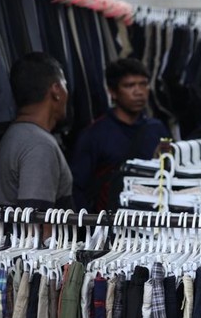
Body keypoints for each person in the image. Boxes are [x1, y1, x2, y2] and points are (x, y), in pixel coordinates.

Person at [70, 58, 169, 211]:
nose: (139, 92)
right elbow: (78, 189)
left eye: (143, 84)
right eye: (129, 85)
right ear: (112, 92)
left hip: (152, 221)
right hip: (109, 223)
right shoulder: (94, 134)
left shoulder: (156, 129)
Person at [0, 52, 74, 211]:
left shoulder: (17, 134)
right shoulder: (39, 145)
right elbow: (36, 225)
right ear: (56, 90)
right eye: (65, 85)